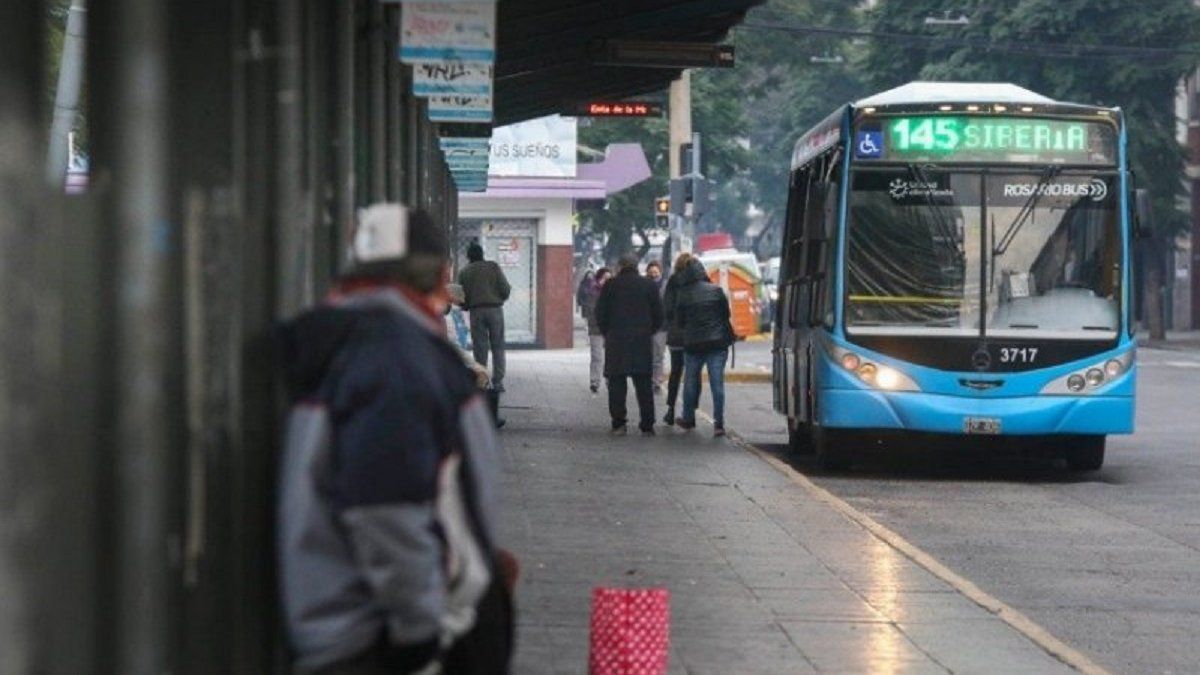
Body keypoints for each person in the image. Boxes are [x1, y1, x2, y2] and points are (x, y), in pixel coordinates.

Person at [278, 204, 514, 675]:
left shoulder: (352, 343)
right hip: (381, 640)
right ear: (442, 275)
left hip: (351, 627)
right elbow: (387, 507)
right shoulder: (395, 359)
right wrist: (420, 634)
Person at [595, 252, 663, 436]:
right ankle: (647, 425)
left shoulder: (610, 286)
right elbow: (658, 315)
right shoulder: (649, 285)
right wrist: (649, 331)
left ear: (620, 266)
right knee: (643, 385)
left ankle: (619, 423)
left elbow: (600, 313)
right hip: (641, 340)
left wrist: (607, 332)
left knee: (617, 383)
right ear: (636, 265)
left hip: (616, 340)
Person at [675, 256, 735, 437]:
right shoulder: (716, 290)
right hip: (717, 343)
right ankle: (719, 424)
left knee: (690, 382)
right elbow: (726, 314)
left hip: (693, 344)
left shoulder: (683, 293)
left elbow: (680, 321)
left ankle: (688, 418)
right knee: (717, 384)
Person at [459, 242, 512, 392]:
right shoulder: (493, 267)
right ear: (482, 254)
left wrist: (467, 305)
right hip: (495, 310)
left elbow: (461, 298)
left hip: (476, 312)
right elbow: (506, 290)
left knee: (480, 348)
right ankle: (498, 382)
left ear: (468, 256)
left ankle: (482, 381)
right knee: (498, 346)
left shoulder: (464, 272)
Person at [661, 253, 695, 425]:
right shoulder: (698, 281)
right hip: (694, 335)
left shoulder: (673, 282)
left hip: (675, 335)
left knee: (675, 372)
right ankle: (690, 412)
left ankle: (671, 409)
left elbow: (666, 308)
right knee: (691, 374)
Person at [579, 267, 611, 393]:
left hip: (611, 329)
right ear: (599, 279)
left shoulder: (615, 292)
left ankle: (610, 380)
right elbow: (590, 309)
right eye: (605, 278)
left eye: (609, 279)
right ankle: (595, 381)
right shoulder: (593, 291)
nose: (607, 281)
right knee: (597, 356)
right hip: (596, 328)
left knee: (611, 357)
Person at [645, 260, 667, 393]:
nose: (654, 275)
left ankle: (657, 382)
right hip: (645, 326)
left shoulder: (665, 285)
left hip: (661, 326)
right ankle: (648, 380)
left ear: (660, 272)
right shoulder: (643, 286)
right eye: (651, 272)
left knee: (658, 355)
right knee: (647, 355)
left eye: (656, 272)